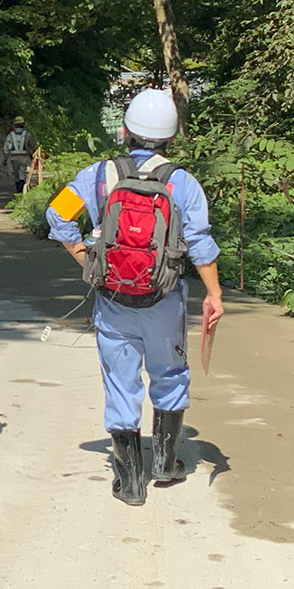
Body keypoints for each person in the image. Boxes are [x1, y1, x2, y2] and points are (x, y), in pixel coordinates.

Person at [45, 88, 225, 505]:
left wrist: (85, 258)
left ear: (124, 130)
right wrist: (214, 294)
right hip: (165, 299)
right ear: (171, 137)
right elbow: (199, 242)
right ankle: (165, 463)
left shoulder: (97, 176)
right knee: (170, 373)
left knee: (120, 382)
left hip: (112, 301)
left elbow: (57, 216)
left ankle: (128, 483)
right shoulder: (183, 182)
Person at [3, 118, 33, 193]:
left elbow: (7, 147)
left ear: (15, 125)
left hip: (14, 156)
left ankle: (18, 188)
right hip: (24, 156)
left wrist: (5, 158)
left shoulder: (10, 135)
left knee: (16, 174)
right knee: (22, 173)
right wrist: (31, 154)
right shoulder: (27, 134)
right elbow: (31, 145)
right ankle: (21, 189)